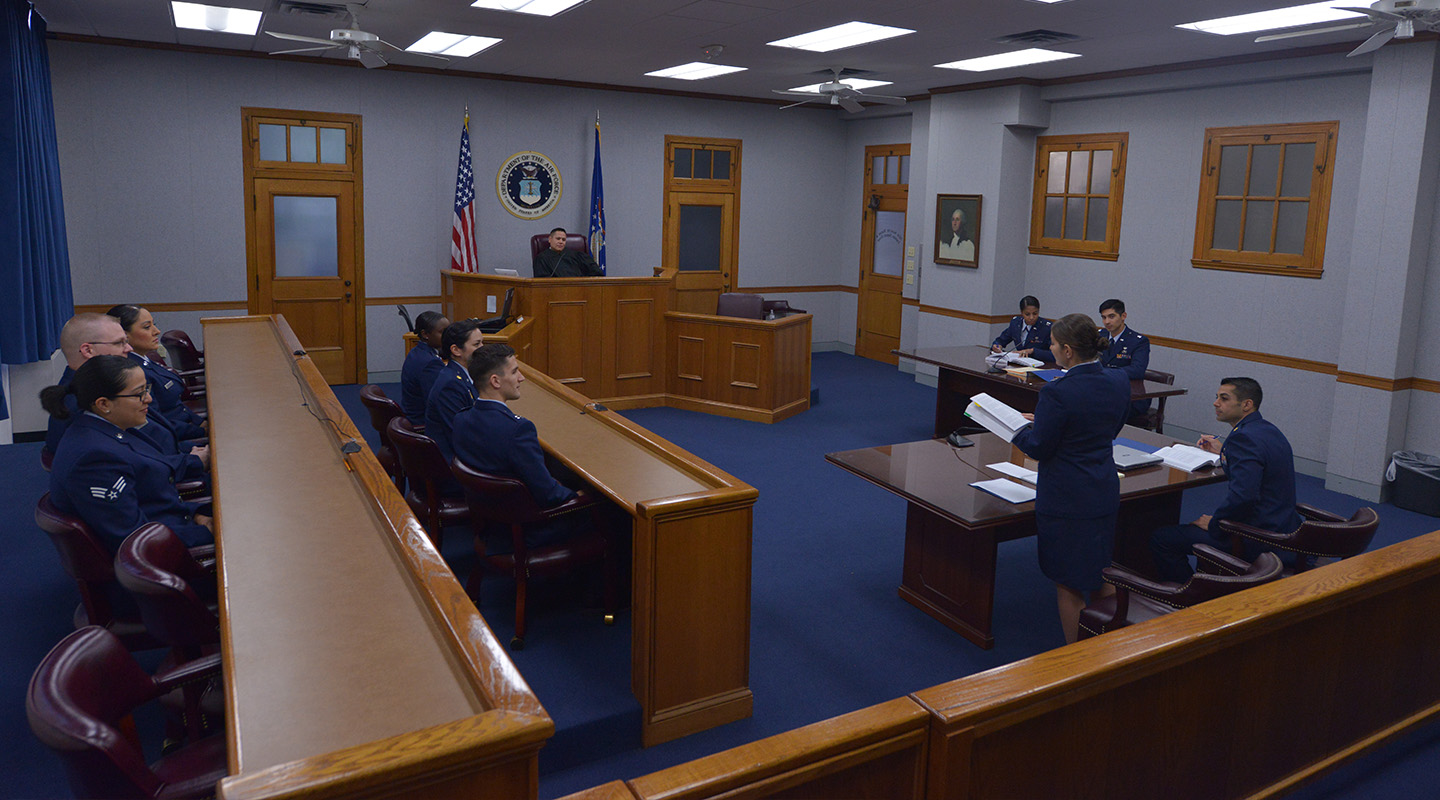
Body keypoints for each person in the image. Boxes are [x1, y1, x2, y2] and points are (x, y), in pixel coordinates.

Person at [1010, 313, 1132, 644]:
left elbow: (1038, 447)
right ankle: (1109, 645)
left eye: (1051, 344)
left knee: (1068, 582)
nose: (1049, 348)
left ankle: (1076, 661)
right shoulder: (1119, 380)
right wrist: (1048, 422)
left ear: (1066, 350)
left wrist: (1015, 428)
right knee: (1100, 568)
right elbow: (1107, 427)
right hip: (1102, 488)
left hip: (1066, 498)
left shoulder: (1057, 393)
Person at [40, 355, 213, 552]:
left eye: (146, 389)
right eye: (139, 393)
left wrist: (197, 515)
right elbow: (133, 537)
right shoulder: (94, 459)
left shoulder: (114, 427)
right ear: (104, 404)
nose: (148, 399)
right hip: (163, 561)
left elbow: (152, 493)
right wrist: (208, 532)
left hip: (176, 524)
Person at [1150, 378, 1302, 583]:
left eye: (1224, 398)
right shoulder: (1266, 430)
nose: (1216, 403)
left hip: (1256, 537)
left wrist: (1216, 524)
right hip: (1283, 525)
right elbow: (1259, 464)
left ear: (1246, 404)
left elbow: (1244, 497)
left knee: (1163, 539)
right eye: (1217, 397)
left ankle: (1189, 598)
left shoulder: (1243, 439)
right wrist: (1224, 451)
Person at [451, 343, 580, 510]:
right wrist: (577, 496)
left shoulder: (461, 419)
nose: (521, 378)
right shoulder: (519, 430)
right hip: (527, 524)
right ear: (495, 381)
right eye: (514, 372)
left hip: (488, 516)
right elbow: (549, 495)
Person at [107, 304, 207, 442]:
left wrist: (201, 423)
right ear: (124, 335)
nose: (157, 331)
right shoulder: (133, 372)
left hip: (187, 426)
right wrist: (201, 430)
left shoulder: (145, 359)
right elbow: (158, 425)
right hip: (179, 439)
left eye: (154, 324)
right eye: (147, 327)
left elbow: (177, 405)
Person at [424, 318, 484, 462]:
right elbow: (461, 436)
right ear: (456, 350)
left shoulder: (463, 374)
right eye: (477, 344)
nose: (483, 348)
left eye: (482, 342)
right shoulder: (450, 385)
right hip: (454, 465)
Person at [1098, 298, 1151, 419]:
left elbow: (1137, 370)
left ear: (1123, 316)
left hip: (1129, 394)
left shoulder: (1138, 341)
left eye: (1111, 316)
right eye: (1103, 317)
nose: (1107, 322)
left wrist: (1103, 372)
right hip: (1103, 389)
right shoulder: (1100, 336)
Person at [400, 311, 449, 427]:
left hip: (412, 415)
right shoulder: (430, 363)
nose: (448, 337)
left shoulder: (417, 351)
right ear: (425, 334)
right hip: (422, 423)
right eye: (442, 332)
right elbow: (437, 402)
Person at [991, 295, 1054, 362]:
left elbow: (1054, 355)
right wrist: (997, 346)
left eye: (1035, 313)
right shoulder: (1016, 323)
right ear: (1021, 312)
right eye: (1027, 314)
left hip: (1040, 365)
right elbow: (1000, 340)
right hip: (1019, 364)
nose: (1031, 318)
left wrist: (1033, 351)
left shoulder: (1046, 327)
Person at [533, 227, 604, 278]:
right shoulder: (541, 258)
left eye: (563, 240)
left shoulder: (577, 255)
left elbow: (596, 271)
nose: (561, 242)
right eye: (558, 239)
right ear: (550, 239)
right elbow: (542, 282)